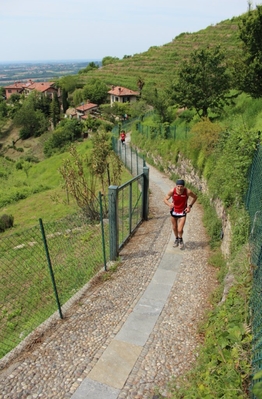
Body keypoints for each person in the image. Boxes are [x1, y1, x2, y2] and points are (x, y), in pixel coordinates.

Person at [163, 179, 197, 249]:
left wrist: (190, 206)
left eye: (181, 186)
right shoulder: (172, 191)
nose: (179, 188)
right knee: (174, 227)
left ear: (184, 186)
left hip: (182, 212)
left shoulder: (187, 191)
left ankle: (180, 239)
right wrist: (169, 204)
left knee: (180, 230)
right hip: (174, 211)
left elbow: (195, 197)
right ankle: (176, 239)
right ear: (176, 186)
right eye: (178, 186)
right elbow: (165, 199)